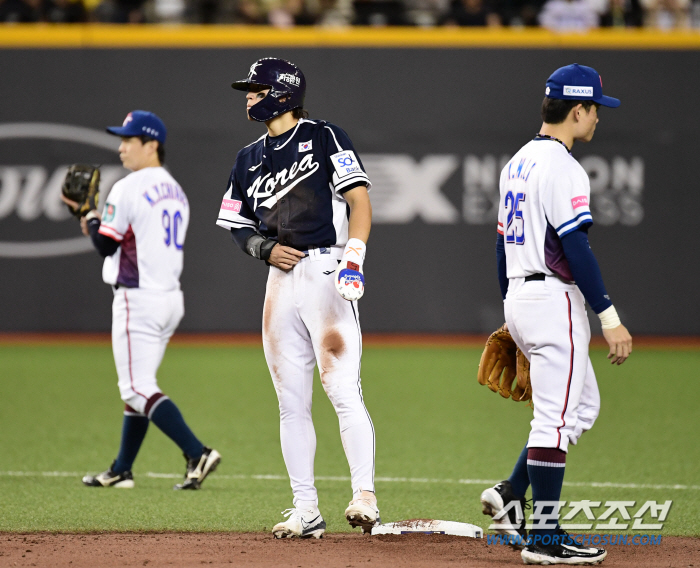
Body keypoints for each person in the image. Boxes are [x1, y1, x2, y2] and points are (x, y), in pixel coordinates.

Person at [216, 58, 379, 539]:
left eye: (256, 88)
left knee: (342, 390)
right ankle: (305, 508)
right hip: (281, 282)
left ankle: (364, 494)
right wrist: (262, 247)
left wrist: (354, 256)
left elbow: (359, 201)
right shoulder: (248, 157)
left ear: (282, 93)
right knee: (291, 404)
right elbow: (234, 222)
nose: (248, 95)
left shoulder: (324, 136)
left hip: (327, 271)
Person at [479, 64, 633, 565]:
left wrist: (510, 309)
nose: (597, 119)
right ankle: (545, 539)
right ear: (578, 109)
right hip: (552, 299)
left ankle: (509, 493)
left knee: (580, 408)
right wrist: (608, 316)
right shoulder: (564, 166)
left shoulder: (517, 161)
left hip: (522, 296)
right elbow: (575, 245)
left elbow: (502, 245)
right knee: (554, 419)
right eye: (595, 110)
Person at [63, 110, 221, 491]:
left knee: (136, 388)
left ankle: (197, 452)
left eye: (128, 140)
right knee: (138, 386)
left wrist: (87, 214)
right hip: (169, 299)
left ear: (152, 145)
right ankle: (122, 469)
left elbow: (106, 244)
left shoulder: (128, 187)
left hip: (138, 299)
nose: (121, 148)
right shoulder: (176, 190)